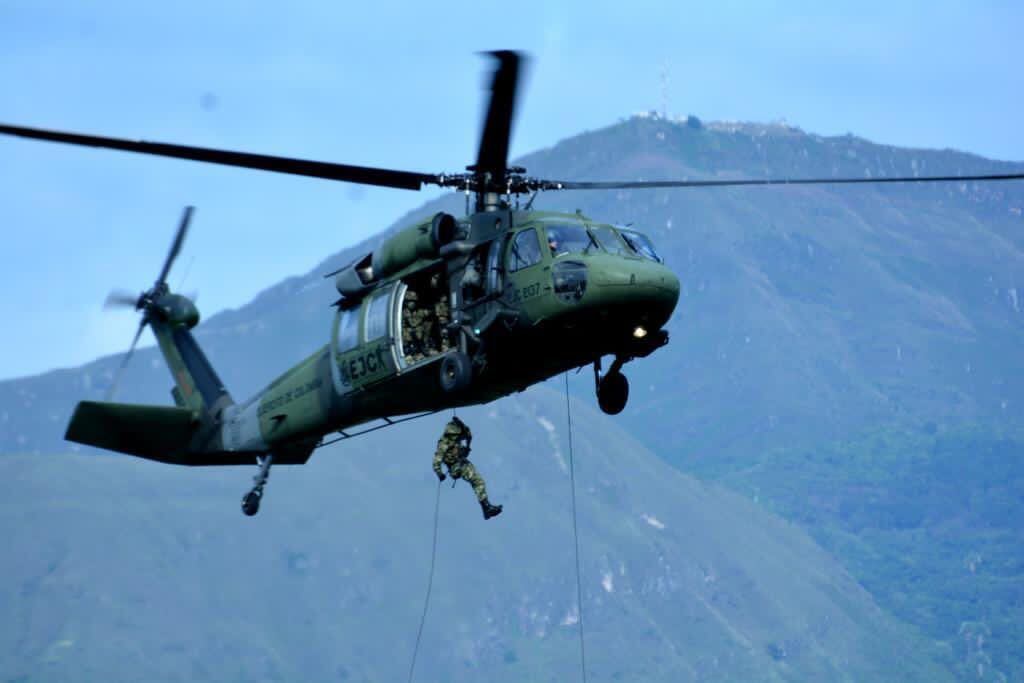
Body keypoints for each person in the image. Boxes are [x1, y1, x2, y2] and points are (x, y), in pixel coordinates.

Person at [432, 416, 502, 520]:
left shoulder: (456, 439)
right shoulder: (444, 444)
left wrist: (461, 424)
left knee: (479, 481)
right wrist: (440, 474)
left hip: (462, 463)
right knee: (477, 481)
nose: (459, 438)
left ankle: (486, 508)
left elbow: (468, 435)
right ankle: (486, 508)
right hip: (456, 467)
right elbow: (436, 461)